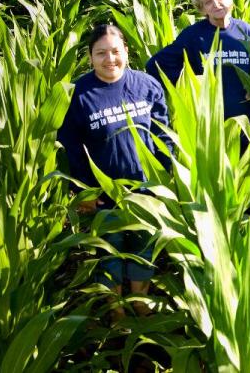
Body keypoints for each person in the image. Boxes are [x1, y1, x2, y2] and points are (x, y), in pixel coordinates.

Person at [58, 24, 171, 319]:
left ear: (126, 52)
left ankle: (139, 303)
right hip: (104, 195)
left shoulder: (147, 85)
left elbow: (164, 136)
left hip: (146, 191)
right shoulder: (78, 95)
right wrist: (83, 190)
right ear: (90, 57)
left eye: (115, 52)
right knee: (109, 252)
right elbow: (70, 146)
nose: (110, 59)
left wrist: (170, 179)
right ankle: (116, 312)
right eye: (101, 53)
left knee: (143, 248)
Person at [147, 0, 250, 122]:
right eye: (208, 2)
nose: (216, 4)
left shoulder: (245, 30)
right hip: (209, 121)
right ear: (202, 10)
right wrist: (186, 88)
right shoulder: (194, 35)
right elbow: (156, 65)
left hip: (245, 119)